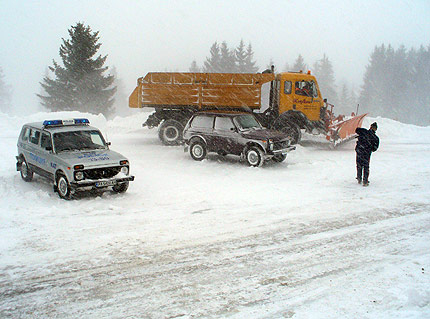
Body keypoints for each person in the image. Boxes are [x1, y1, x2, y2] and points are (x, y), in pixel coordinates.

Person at [355, 122, 379, 186]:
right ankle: (365, 181)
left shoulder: (363, 131)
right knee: (366, 166)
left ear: (370, 127)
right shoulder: (376, 138)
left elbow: (357, 130)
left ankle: (359, 178)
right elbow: (375, 148)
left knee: (359, 165)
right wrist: (369, 148)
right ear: (376, 129)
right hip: (367, 153)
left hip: (359, 150)